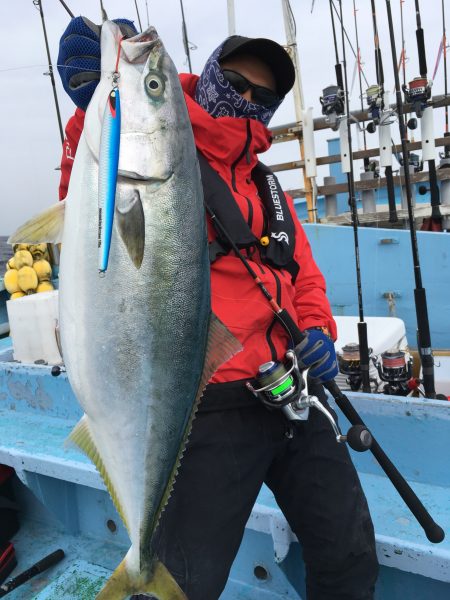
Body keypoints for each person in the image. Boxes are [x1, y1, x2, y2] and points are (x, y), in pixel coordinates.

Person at [57, 17, 378, 600]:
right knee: (184, 580)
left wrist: (318, 331)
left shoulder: (266, 184)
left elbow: (302, 274)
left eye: (264, 96)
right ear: (207, 78)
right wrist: (90, 112)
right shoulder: (164, 150)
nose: (248, 100)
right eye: (235, 81)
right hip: (207, 401)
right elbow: (89, 211)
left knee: (350, 552)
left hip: (294, 392)